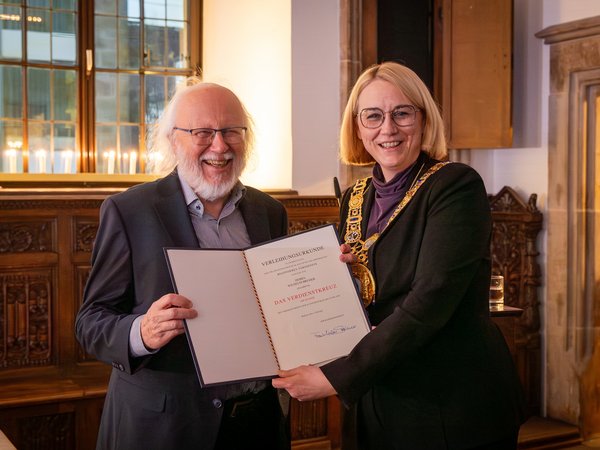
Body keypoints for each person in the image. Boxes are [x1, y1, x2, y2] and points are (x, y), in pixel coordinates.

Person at [272, 62, 526, 449]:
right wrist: (331, 279)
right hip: (379, 392)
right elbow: (367, 292)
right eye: (372, 116)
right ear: (357, 126)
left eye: (402, 113)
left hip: (449, 398)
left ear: (423, 120)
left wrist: (335, 376)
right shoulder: (355, 197)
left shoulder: (454, 185)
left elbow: (432, 298)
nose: (387, 129)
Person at [76, 79, 290, 450]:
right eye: (202, 132)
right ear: (174, 140)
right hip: (165, 427)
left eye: (231, 131)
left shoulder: (270, 212)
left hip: (256, 423)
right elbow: (90, 321)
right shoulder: (130, 211)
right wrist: (140, 332)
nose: (219, 146)